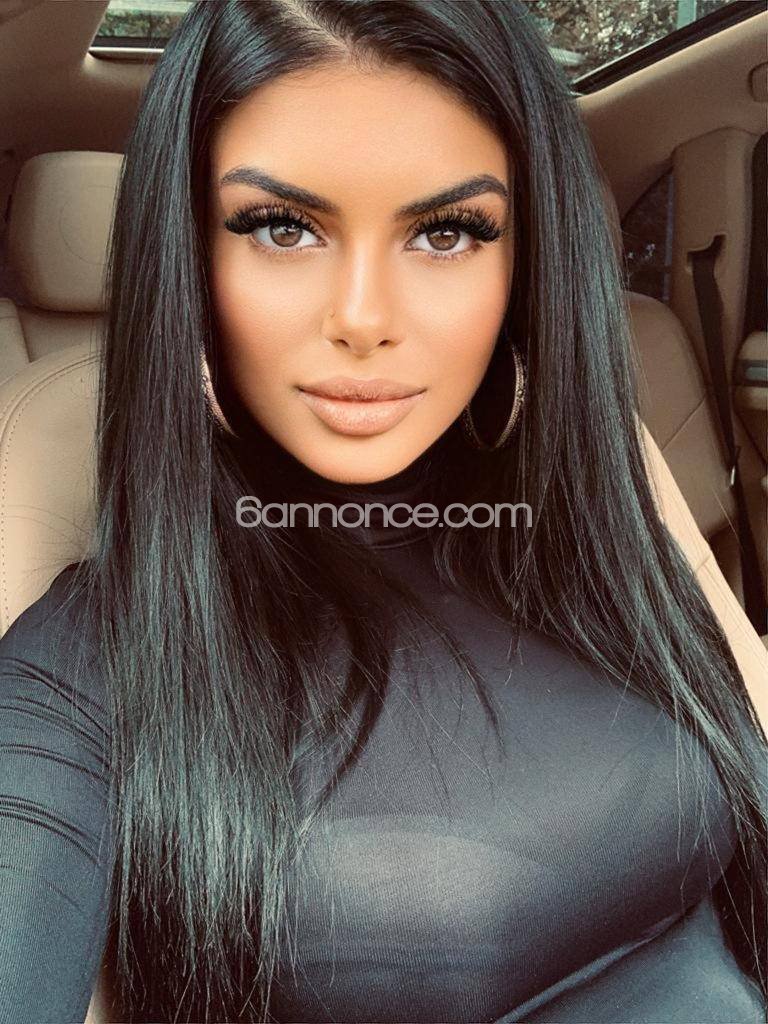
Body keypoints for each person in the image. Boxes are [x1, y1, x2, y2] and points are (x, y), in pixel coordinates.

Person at [0, 2, 766, 1022]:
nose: (363, 319)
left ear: (524, 264)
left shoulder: (598, 529)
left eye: (447, 232)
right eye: (283, 228)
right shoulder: (93, 657)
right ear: (188, 259)